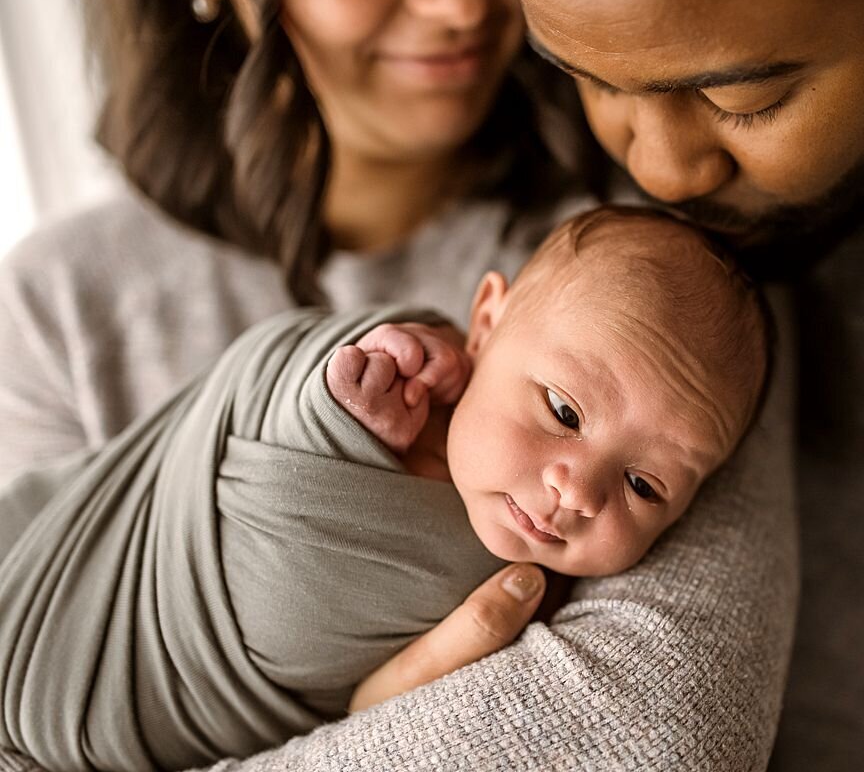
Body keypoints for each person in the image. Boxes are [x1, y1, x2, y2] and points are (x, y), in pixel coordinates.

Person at [11, 0, 864, 769]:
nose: (665, 167)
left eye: (745, 93)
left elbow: (651, 731)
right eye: (590, 71)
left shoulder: (648, 281)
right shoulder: (54, 303)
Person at [0, 206, 771, 771]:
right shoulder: (395, 382)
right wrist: (338, 395)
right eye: (564, 411)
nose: (578, 490)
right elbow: (261, 390)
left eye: (644, 485)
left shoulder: (552, 604)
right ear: (486, 323)